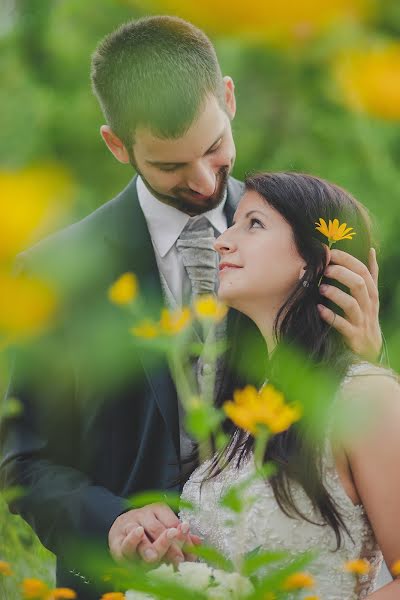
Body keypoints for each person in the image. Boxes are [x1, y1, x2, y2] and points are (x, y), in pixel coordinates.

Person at [0, 16, 382, 599]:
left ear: (228, 98)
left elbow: (344, 434)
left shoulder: (304, 237)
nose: (203, 180)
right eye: (170, 166)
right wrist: (112, 521)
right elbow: (26, 464)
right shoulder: (54, 275)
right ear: (116, 144)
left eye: (213, 148)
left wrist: (354, 361)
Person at [180, 172, 400, 599]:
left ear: (316, 260)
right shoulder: (247, 406)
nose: (221, 240)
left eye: (254, 224)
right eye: (232, 223)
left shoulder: (366, 396)